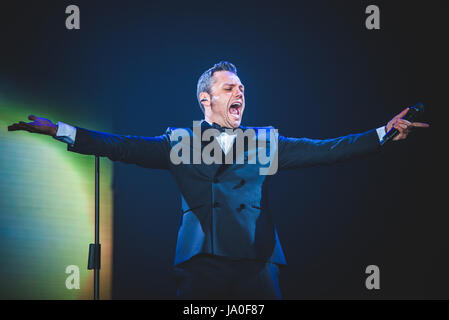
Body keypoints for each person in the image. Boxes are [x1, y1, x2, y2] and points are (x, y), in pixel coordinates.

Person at [8, 61, 429, 299]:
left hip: (258, 263)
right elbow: (123, 145)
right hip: (201, 263)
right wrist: (62, 130)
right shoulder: (181, 140)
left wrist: (383, 133)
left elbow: (328, 149)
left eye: (242, 87)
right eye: (230, 87)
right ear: (206, 99)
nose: (240, 93)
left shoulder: (265, 140)